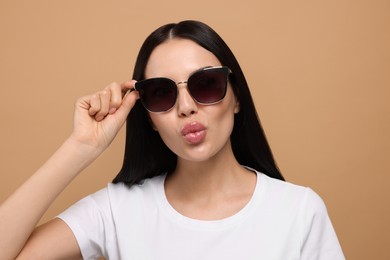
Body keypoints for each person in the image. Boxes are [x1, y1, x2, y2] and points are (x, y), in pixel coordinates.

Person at [0, 20, 345, 259]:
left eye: (205, 84)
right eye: (162, 93)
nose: (185, 107)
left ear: (236, 97)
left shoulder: (298, 211)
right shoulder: (118, 209)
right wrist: (80, 147)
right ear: (147, 116)